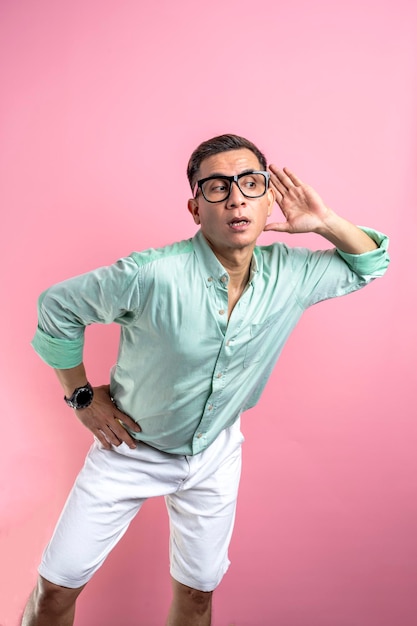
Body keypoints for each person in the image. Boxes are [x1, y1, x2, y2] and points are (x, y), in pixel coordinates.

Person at [22, 133, 390, 626]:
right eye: (217, 187)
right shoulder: (152, 273)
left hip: (215, 454)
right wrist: (81, 396)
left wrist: (323, 222)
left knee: (198, 597)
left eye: (250, 183)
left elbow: (370, 263)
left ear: (268, 197)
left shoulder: (292, 273)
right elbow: (58, 307)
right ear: (195, 208)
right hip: (130, 449)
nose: (236, 197)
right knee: (53, 593)